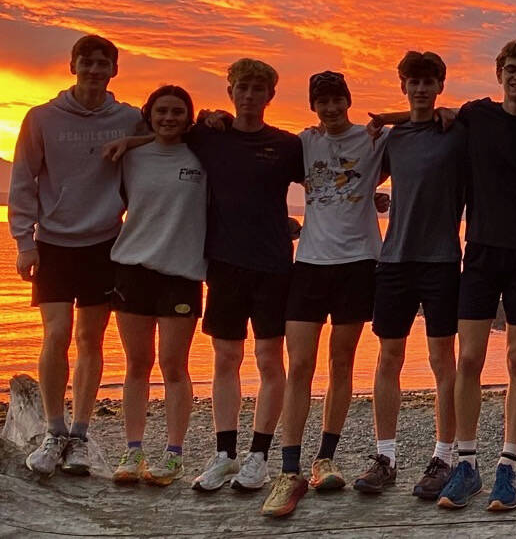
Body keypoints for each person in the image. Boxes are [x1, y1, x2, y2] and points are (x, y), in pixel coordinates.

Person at [428, 39, 516, 512]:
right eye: (511, 68)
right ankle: (465, 465)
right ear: (499, 73)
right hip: (481, 252)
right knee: (468, 359)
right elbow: (428, 119)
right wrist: (382, 123)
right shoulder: (476, 115)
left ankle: (508, 466)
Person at [10, 34, 144, 477]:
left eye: (102, 63)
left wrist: (132, 143)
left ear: (114, 70)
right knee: (57, 333)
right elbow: (23, 180)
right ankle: (53, 430)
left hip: (105, 241)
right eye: (86, 62)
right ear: (72, 66)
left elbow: (166, 140)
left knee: (91, 338)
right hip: (53, 242)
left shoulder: (128, 117)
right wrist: (24, 242)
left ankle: (80, 436)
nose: (93, 69)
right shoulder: (42, 118)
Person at [260, 71, 386, 517]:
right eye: (322, 102)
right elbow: (267, 165)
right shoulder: (305, 141)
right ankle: (289, 466)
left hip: (358, 264)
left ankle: (325, 458)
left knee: (342, 361)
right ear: (313, 106)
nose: (330, 109)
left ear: (348, 100)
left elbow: (422, 125)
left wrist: (388, 116)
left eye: (337, 100)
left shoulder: (374, 139)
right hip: (310, 263)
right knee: (300, 365)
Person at [177, 59, 303, 493]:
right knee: (225, 359)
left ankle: (259, 457)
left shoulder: (287, 146)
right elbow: (157, 125)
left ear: (271, 95)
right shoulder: (209, 136)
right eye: (241, 88)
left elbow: (330, 183)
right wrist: (205, 116)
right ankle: (224, 455)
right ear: (230, 91)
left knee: (269, 361)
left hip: (272, 265)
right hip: (224, 264)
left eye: (257, 89)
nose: (249, 96)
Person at [352, 51, 466, 502]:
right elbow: (362, 182)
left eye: (428, 81)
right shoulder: (392, 139)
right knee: (389, 358)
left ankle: (444, 457)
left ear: (440, 84)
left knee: (443, 362)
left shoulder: (456, 132)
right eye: (413, 81)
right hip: (393, 259)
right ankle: (386, 457)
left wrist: (448, 112)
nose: (420, 89)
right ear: (403, 85)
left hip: (441, 260)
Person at [108, 85, 206, 487]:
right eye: (161, 111)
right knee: (136, 364)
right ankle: (133, 450)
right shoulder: (130, 156)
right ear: (149, 114)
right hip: (132, 268)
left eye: (177, 111)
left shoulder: (204, 157)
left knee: (173, 365)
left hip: (182, 273)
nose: (169, 118)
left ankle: (173, 454)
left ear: (189, 116)